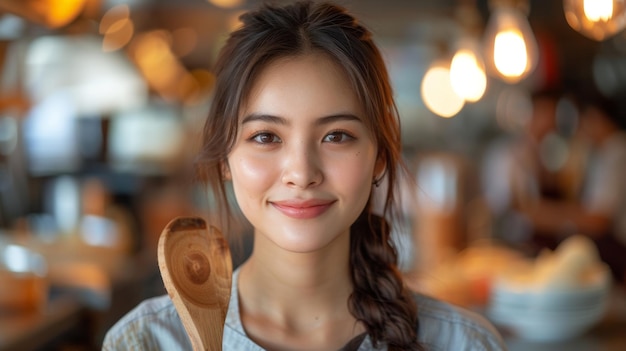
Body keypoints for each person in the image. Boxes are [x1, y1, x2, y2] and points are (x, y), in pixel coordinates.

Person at [102, 1, 506, 350]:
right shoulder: (149, 341)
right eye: (265, 136)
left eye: (336, 136)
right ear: (225, 155)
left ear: (380, 154)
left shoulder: (464, 343)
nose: (301, 173)